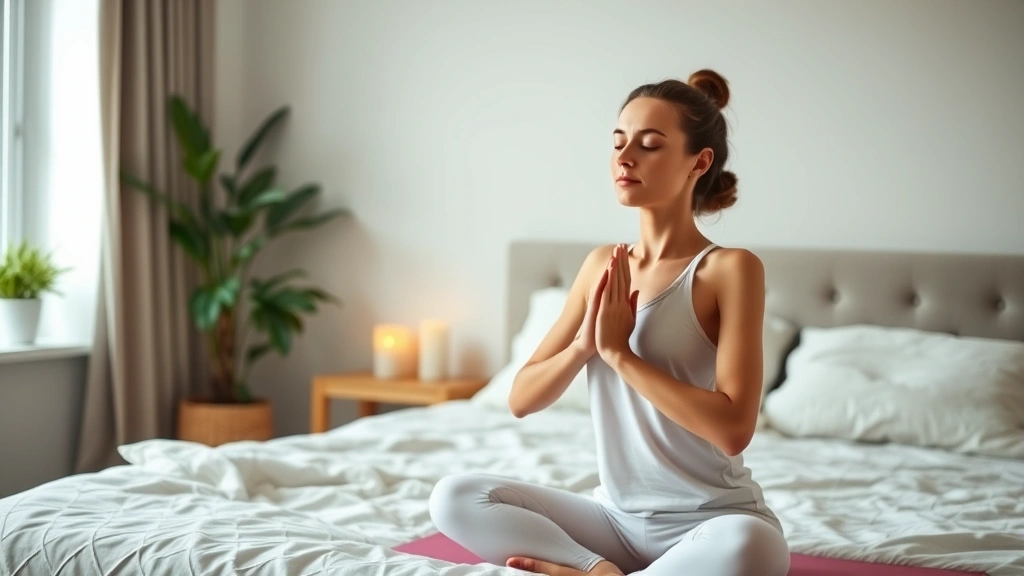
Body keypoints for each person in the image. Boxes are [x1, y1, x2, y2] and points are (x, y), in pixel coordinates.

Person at [428, 69, 790, 576]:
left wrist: (620, 354)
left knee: (756, 546)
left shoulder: (729, 270)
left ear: (699, 162)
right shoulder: (602, 264)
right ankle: (593, 570)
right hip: (614, 520)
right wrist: (584, 347)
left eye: (650, 145)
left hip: (712, 522)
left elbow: (732, 430)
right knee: (455, 496)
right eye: (619, 142)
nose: (625, 158)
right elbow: (520, 398)